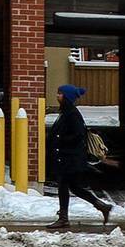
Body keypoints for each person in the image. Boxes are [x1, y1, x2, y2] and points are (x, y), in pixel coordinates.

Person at [47, 83, 113, 227]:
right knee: (73, 187)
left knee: (65, 185)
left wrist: (60, 141)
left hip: (70, 158)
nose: (57, 95)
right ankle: (101, 206)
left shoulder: (72, 114)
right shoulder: (65, 112)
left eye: (60, 93)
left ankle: (64, 218)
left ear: (67, 97)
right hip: (68, 158)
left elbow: (78, 135)